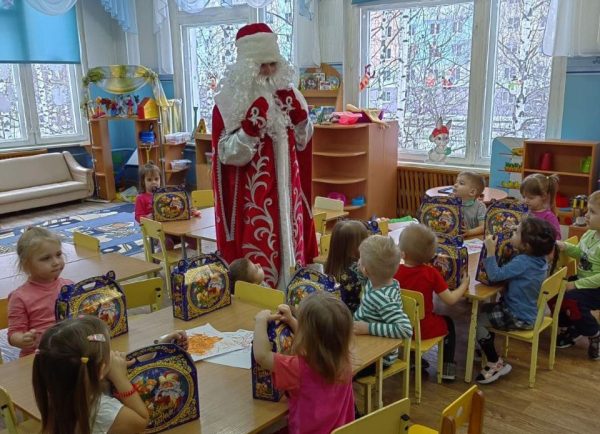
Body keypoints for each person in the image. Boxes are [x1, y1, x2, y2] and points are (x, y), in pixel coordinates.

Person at [211, 23, 318, 289]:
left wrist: (302, 119)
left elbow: (303, 143)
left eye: (273, 64)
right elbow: (225, 155)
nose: (270, 71)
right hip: (252, 202)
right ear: (247, 65)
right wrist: (249, 129)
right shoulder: (228, 102)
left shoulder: (291, 95)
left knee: (292, 256)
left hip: (289, 198)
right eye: (262, 65)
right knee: (259, 264)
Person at [32, 315, 188, 434]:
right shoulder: (100, 410)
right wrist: (120, 378)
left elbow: (126, 361)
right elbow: (141, 420)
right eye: (109, 352)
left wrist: (160, 346)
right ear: (101, 370)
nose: (114, 354)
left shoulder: (58, 389)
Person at [253, 293, 355, 433]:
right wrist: (291, 320)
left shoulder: (299, 368)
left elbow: (262, 356)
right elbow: (318, 339)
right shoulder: (345, 359)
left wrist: (260, 321)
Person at [476, 216, 556, 383]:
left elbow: (495, 275)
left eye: (517, 232)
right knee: (484, 311)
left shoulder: (523, 261)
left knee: (477, 321)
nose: (513, 232)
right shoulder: (540, 258)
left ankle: (495, 362)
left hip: (518, 316)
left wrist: (490, 251)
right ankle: (484, 346)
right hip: (532, 312)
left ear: (526, 246)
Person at [394, 224, 470, 381]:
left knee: (411, 313)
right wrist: (464, 285)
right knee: (448, 322)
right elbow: (450, 300)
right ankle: (448, 366)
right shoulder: (431, 273)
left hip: (399, 326)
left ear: (403, 253)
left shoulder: (394, 271)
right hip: (423, 328)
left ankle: (413, 360)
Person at [7, 227, 73, 357]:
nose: (56, 262)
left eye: (58, 255)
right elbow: (13, 333)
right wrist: (22, 339)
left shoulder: (69, 285)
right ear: (27, 265)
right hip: (39, 357)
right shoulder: (19, 297)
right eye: (46, 258)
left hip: (69, 351)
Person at [353, 235, 412, 366]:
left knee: (339, 367)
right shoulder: (379, 281)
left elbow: (405, 329)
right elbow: (364, 279)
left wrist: (368, 328)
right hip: (364, 343)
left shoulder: (383, 298)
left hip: (380, 358)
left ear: (366, 270)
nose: (358, 261)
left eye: (360, 259)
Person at [555, 190, 600, 359]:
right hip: (583, 281)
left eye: (592, 212)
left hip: (596, 287)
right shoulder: (589, 234)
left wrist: (575, 285)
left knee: (573, 300)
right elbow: (581, 253)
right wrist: (565, 247)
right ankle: (571, 327)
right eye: (587, 210)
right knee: (556, 292)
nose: (586, 215)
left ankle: (594, 333)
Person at [134, 162, 196, 250]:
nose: (154, 182)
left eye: (156, 179)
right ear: (143, 182)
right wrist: (147, 217)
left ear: (160, 179)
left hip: (174, 228)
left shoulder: (166, 194)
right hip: (157, 232)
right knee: (168, 243)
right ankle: (158, 259)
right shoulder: (140, 198)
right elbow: (137, 217)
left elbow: (177, 207)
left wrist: (189, 211)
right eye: (149, 180)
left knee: (194, 240)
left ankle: (183, 258)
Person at [324, 220, 369, 313]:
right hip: (355, 318)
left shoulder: (329, 264)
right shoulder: (359, 270)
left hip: (334, 315)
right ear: (356, 246)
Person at [520, 173, 561, 240]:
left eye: (530, 198)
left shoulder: (549, 217)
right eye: (524, 197)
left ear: (543, 196)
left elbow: (557, 238)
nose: (526, 201)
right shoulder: (525, 212)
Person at [453, 171, 486, 237]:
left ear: (472, 192)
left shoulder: (480, 206)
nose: (455, 185)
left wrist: (469, 232)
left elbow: (483, 227)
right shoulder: (451, 203)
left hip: (472, 239)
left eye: (461, 183)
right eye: (456, 182)